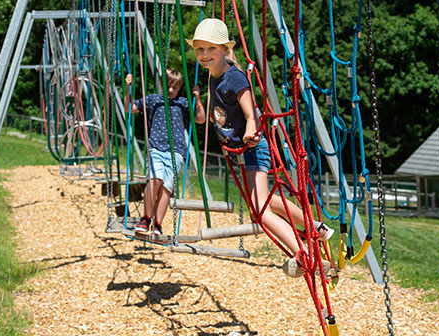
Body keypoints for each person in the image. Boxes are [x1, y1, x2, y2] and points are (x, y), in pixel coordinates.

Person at [186, 18, 333, 277]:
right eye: (200, 49)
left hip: (253, 147)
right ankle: (315, 227)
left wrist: (251, 129)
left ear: (224, 49)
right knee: (266, 202)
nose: (204, 55)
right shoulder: (213, 74)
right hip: (241, 152)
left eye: (211, 49)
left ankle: (303, 254)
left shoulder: (234, 77)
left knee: (261, 212)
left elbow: (252, 113)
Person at [124, 69, 206, 235]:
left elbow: (200, 119)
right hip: (156, 147)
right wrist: (128, 89)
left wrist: (197, 98)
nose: (170, 90)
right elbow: (129, 108)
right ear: (161, 84)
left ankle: (158, 224)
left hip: (176, 151)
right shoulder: (153, 100)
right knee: (155, 180)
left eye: (174, 87)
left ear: (179, 87)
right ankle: (146, 218)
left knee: (166, 188)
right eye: (168, 86)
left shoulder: (183, 103)